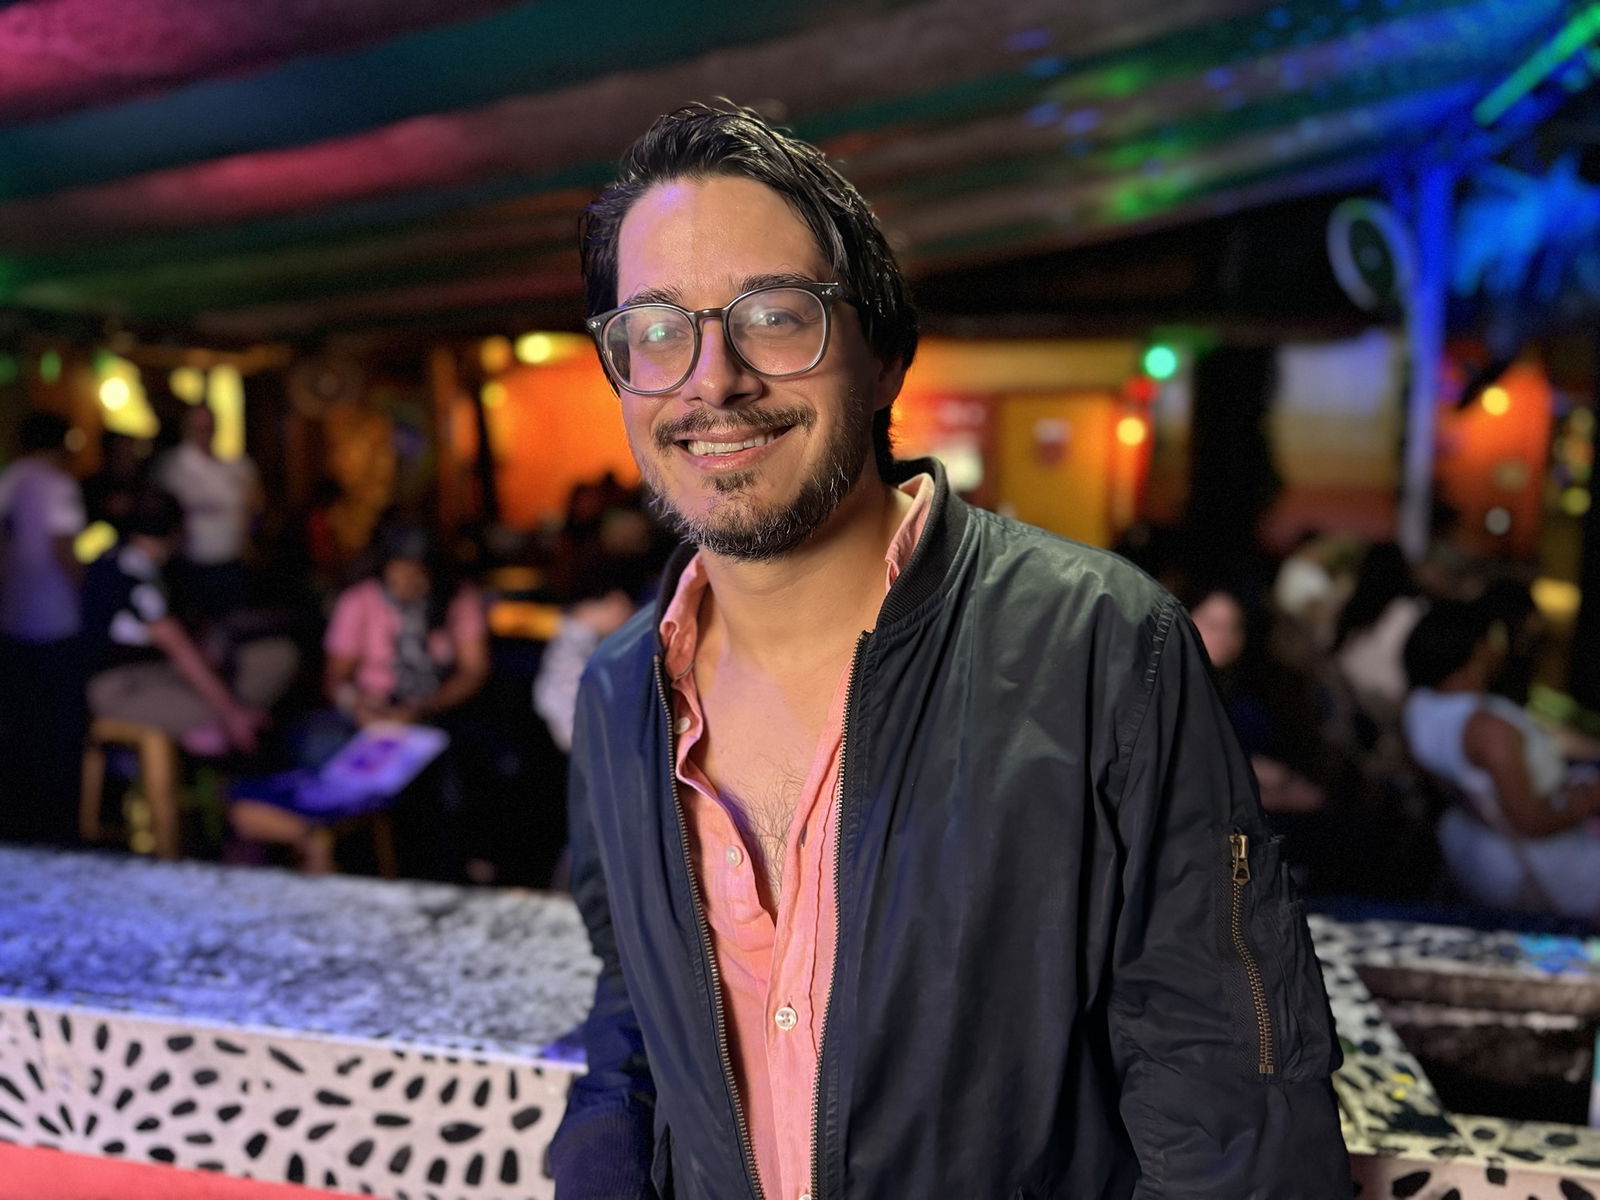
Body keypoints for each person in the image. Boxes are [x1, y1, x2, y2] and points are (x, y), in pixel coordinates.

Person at [551, 103, 1348, 1199]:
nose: (710, 378)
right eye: (654, 328)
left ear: (881, 357)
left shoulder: (1102, 648)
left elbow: (1228, 1100)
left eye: (774, 316)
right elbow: (634, 1008)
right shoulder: (618, 694)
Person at [1402, 599, 1600, 918]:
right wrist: (1588, 800)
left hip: (1470, 846)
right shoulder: (1488, 728)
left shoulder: (1419, 708)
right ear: (1477, 649)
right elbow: (1529, 821)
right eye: (1494, 640)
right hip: (1538, 865)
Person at [81, 488, 293, 757]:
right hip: (121, 685)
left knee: (274, 658)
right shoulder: (134, 571)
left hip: (154, 674)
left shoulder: (137, 563)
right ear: (176, 531)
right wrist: (230, 712)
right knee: (216, 729)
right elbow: (175, 643)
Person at [0, 411, 88, 841]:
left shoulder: (10, 478)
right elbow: (63, 546)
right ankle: (58, 823)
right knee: (58, 727)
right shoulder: (59, 484)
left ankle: (22, 813)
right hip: (56, 616)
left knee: (21, 721)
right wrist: (86, 592)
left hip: (15, 615)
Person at [154, 402, 261, 622]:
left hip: (232, 563)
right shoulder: (172, 466)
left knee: (233, 625)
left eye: (209, 425)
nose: (204, 431)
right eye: (198, 426)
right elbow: (162, 514)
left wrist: (249, 537)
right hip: (190, 566)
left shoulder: (237, 465)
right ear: (187, 427)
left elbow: (255, 505)